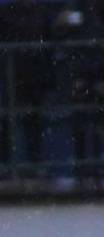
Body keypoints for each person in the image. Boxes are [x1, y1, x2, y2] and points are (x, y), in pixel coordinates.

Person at [55, 0, 104, 181]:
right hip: (79, 68)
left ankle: (97, 164)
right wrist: (66, 21)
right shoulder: (76, 6)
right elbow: (61, 27)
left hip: (100, 69)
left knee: (99, 119)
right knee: (79, 118)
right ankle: (80, 165)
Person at [0, 0, 56, 175]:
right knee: (7, 120)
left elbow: (49, 42)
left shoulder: (41, 11)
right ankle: (6, 165)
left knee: (34, 121)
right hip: (11, 75)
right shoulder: (6, 12)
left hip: (34, 75)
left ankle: (34, 164)